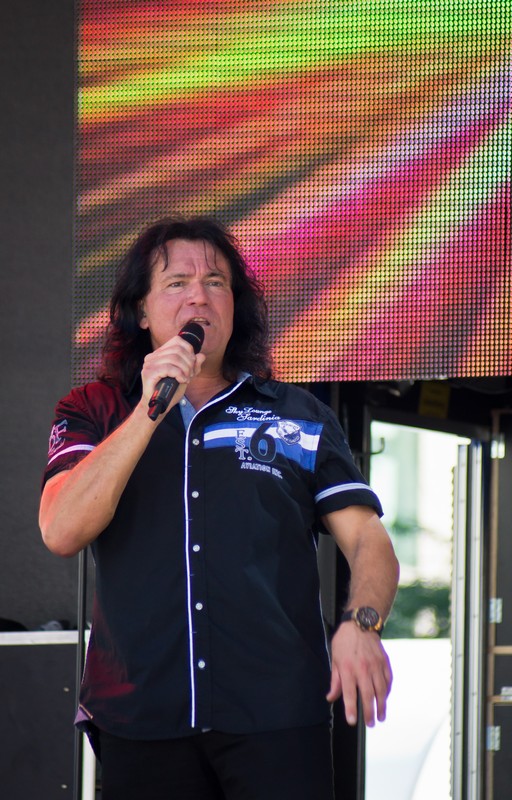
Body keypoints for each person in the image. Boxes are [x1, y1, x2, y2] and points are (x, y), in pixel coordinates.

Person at [39, 216, 399, 800]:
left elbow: (368, 539)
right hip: (141, 717)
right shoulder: (93, 408)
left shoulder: (296, 414)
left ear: (236, 307)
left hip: (277, 716)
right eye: (177, 283)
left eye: (216, 282)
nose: (199, 297)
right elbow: (60, 529)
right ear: (141, 311)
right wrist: (149, 411)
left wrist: (363, 625)